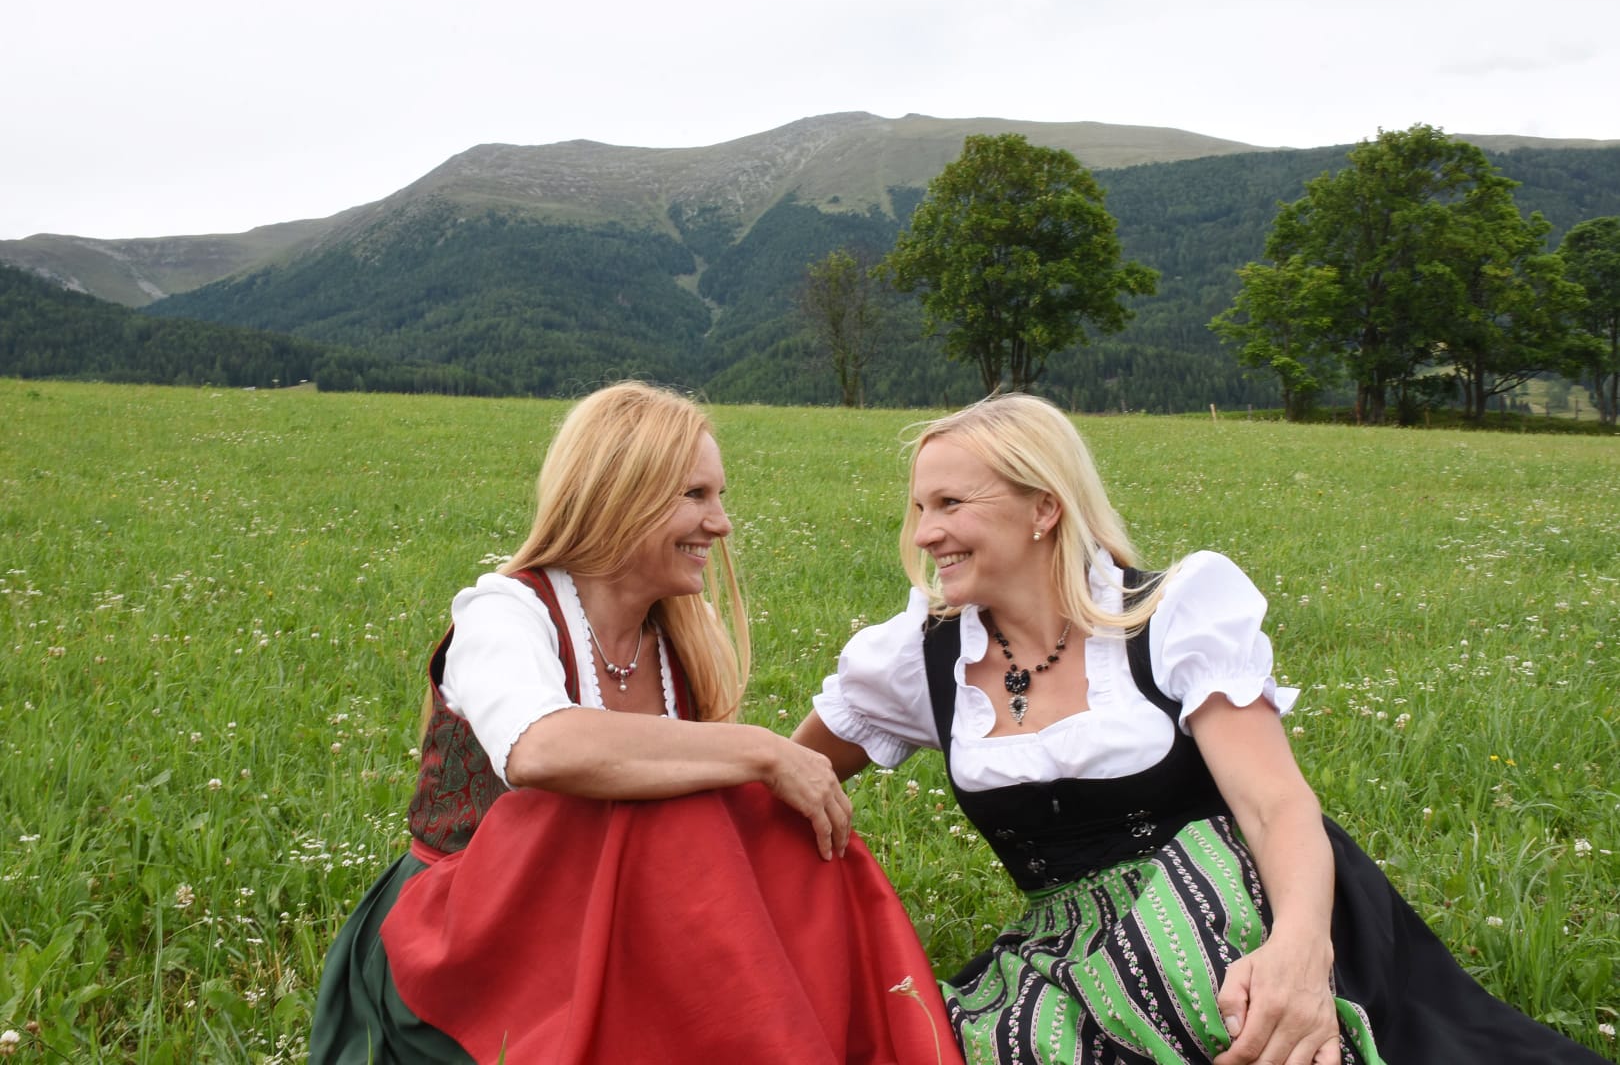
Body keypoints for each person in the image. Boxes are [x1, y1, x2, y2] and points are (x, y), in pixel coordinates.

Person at [793, 393, 1607, 1065]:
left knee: (1217, 992)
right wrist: (742, 760)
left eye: (950, 504)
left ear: (1044, 507)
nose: (924, 533)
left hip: (1245, 911)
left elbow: (1275, 807)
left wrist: (1300, 955)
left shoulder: (1170, 613)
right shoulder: (919, 657)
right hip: (1076, 953)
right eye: (919, 507)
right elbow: (794, 776)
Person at [310, 382, 959, 1064]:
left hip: (597, 919)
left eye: (720, 496)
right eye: (695, 495)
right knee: (692, 815)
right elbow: (539, 748)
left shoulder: (680, 638)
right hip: (462, 935)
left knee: (776, 837)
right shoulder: (505, 613)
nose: (721, 524)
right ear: (618, 496)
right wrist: (762, 751)